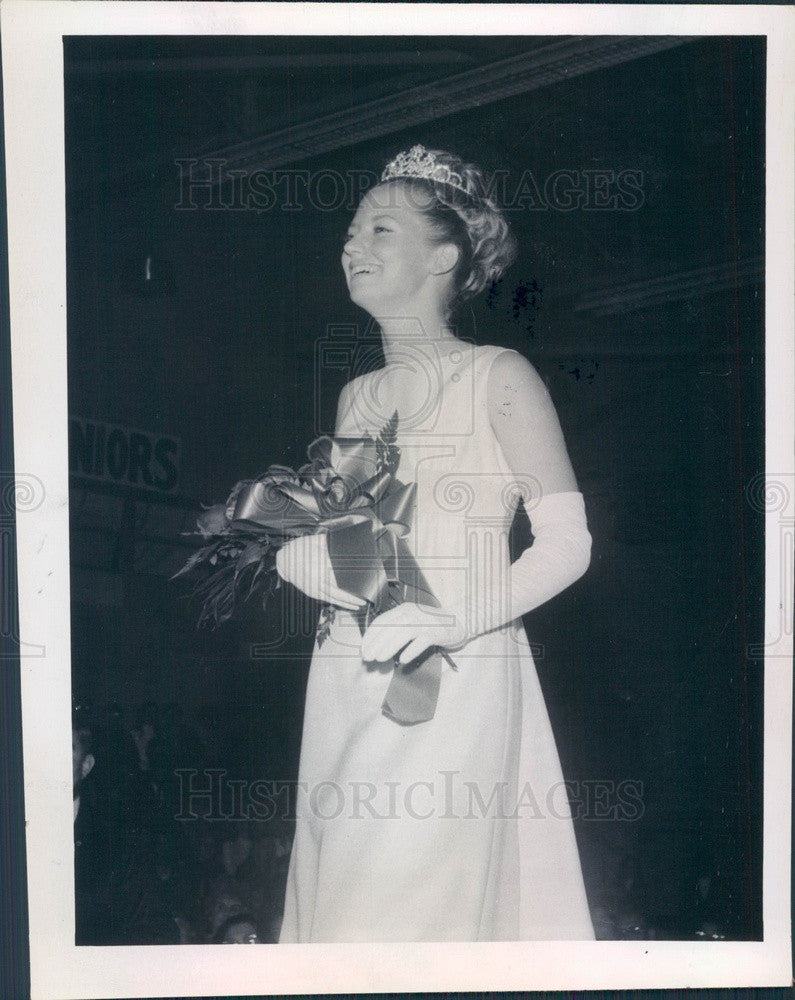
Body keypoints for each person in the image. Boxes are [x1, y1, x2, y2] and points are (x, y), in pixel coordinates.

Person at [275, 144, 595, 942]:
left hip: (453, 671)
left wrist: (452, 621)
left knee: (402, 914)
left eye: (379, 229)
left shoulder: (499, 373)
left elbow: (566, 543)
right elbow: (355, 539)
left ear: (445, 256)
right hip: (347, 672)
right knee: (338, 905)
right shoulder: (358, 393)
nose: (352, 246)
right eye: (350, 231)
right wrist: (296, 555)